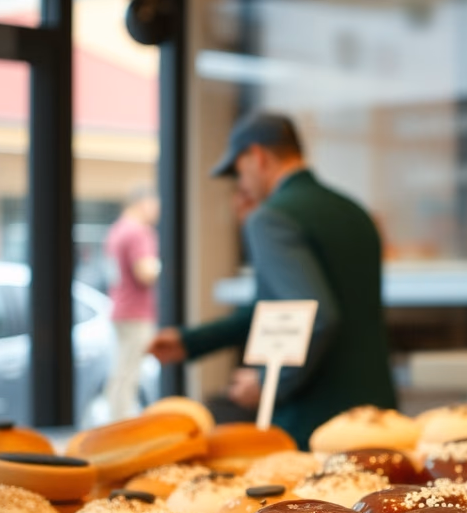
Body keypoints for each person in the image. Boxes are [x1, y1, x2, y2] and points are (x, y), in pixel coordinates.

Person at [148, 113, 396, 447]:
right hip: (380, 411)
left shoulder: (271, 218)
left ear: (257, 157)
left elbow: (319, 316)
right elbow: (274, 310)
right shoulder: (355, 211)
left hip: (315, 420)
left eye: (239, 171)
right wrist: (191, 341)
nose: (242, 185)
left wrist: (268, 383)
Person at [104, 185, 160, 420]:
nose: (157, 211)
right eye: (155, 204)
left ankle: (115, 422)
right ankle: (120, 427)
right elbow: (145, 272)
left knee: (122, 371)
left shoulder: (116, 230)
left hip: (120, 308)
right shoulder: (138, 232)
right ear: (143, 203)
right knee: (128, 374)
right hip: (136, 311)